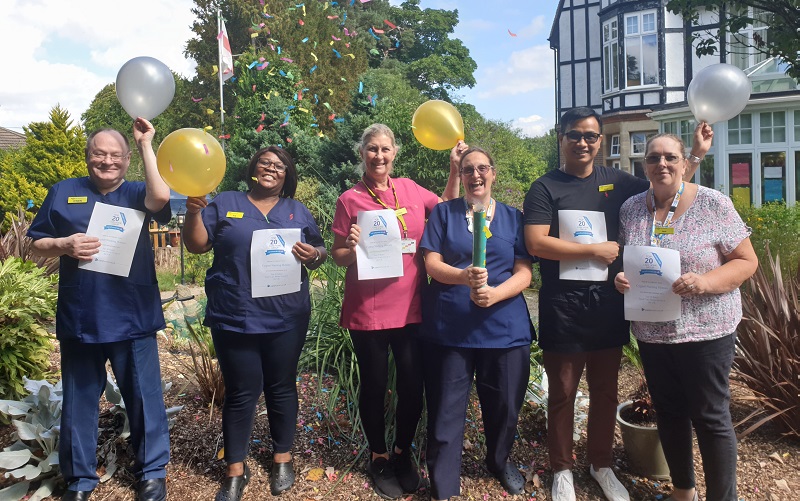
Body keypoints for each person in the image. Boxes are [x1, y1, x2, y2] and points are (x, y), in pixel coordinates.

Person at [522, 107, 712, 501]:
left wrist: (694, 156)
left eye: (591, 136)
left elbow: (667, 186)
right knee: (562, 392)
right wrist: (594, 250)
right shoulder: (545, 187)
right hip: (563, 305)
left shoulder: (619, 182)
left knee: (606, 392)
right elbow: (536, 243)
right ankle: (562, 469)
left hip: (609, 303)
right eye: (575, 135)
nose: (584, 143)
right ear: (562, 138)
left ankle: (601, 464)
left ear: (600, 141)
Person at [28, 119, 171, 501]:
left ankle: (153, 473)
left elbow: (161, 198)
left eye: (115, 155)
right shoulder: (63, 192)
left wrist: (145, 144)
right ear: (88, 156)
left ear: (126, 161)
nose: (106, 161)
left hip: (132, 313)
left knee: (144, 397)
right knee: (79, 400)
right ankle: (80, 480)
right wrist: (63, 243)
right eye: (98, 154)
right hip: (82, 315)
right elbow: (35, 244)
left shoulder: (139, 191)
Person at [614, 133, 757, 501]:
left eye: (670, 157)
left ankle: (722, 497)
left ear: (683, 162)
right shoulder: (631, 208)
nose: (661, 164)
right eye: (653, 158)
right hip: (653, 332)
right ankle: (683, 490)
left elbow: (746, 261)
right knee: (670, 412)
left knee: (711, 418)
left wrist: (705, 282)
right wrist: (621, 278)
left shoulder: (713, 204)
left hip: (706, 330)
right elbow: (632, 260)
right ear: (643, 164)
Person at [182, 146, 327, 501]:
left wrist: (315, 255)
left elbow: (320, 252)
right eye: (264, 162)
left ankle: (282, 458)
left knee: (281, 386)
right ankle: (235, 469)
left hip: (286, 316)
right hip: (236, 314)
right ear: (253, 168)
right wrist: (191, 213)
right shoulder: (227, 201)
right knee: (241, 392)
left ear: (286, 175)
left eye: (279, 166)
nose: (271, 169)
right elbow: (197, 245)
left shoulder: (297, 211)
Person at [330, 124, 461, 499]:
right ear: (362, 154)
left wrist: (454, 169)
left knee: (411, 385)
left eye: (385, 149)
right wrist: (352, 247)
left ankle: (403, 452)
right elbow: (339, 257)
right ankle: (378, 456)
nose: (379, 156)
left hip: (411, 306)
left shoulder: (410, 189)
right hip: (368, 309)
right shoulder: (350, 199)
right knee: (373, 385)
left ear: (395, 153)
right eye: (372, 149)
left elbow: (446, 210)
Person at [420, 147, 534, 500]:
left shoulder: (514, 218)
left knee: (505, 405)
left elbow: (524, 272)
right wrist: (462, 276)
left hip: (504, 327)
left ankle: (498, 460)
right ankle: (443, 483)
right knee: (446, 408)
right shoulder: (443, 214)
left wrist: (496, 295)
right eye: (468, 170)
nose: (476, 175)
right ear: (462, 174)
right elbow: (431, 263)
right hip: (451, 328)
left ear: (493, 173)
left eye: (482, 168)